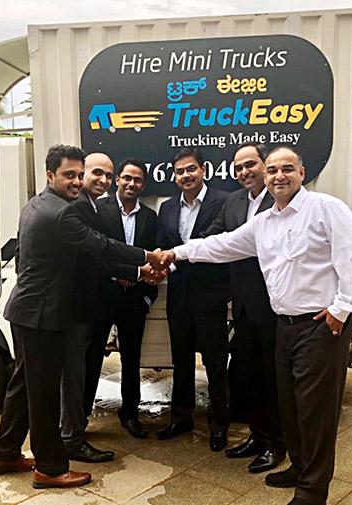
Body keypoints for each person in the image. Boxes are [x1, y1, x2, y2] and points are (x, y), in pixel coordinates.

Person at [159, 145, 352, 505]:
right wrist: (175, 253)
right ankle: (299, 467)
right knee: (290, 405)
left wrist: (343, 308)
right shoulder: (264, 222)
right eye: (272, 170)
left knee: (314, 412)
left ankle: (312, 492)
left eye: (287, 169)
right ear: (266, 177)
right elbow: (222, 245)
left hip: (320, 326)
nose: (278, 176)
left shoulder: (326, 208)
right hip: (283, 325)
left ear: (302, 173)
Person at [0, 144, 165, 489]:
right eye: (69, 174)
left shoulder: (38, 204)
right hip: (41, 315)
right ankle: (50, 468)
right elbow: (101, 246)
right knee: (42, 395)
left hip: (27, 311)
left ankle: (4, 453)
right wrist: (148, 257)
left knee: (22, 387)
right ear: (50, 175)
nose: (76, 181)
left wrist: (138, 270)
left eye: (79, 174)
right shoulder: (61, 213)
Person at [201, 142, 285, 473]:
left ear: (265, 165)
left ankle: (277, 444)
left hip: (275, 306)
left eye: (250, 164)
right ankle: (257, 436)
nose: (244, 172)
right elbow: (215, 238)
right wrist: (175, 255)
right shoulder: (233, 202)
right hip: (243, 306)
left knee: (273, 379)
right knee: (249, 376)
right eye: (238, 167)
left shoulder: (281, 199)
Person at [60, 152, 138, 463]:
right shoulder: (79, 207)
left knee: (86, 369)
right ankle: (72, 434)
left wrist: (139, 279)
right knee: (79, 370)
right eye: (97, 173)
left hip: (114, 303)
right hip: (84, 305)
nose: (102, 180)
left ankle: (74, 432)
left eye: (107, 174)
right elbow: (101, 250)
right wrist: (142, 264)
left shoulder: (88, 205)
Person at [156, 147, 231, 451]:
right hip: (178, 296)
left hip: (210, 295)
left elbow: (220, 244)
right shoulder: (166, 208)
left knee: (215, 362)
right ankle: (181, 417)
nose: (185, 175)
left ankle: (219, 424)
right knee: (181, 360)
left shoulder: (223, 201)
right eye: (179, 171)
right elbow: (163, 246)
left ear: (203, 170)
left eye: (190, 169)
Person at [85, 158, 159, 439]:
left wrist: (146, 296)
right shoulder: (98, 210)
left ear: (143, 185)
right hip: (102, 296)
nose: (131, 183)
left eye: (137, 180)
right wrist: (126, 273)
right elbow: (96, 254)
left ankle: (130, 414)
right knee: (91, 358)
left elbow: (153, 256)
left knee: (131, 359)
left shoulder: (150, 217)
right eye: (127, 178)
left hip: (134, 299)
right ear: (117, 180)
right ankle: (81, 415)